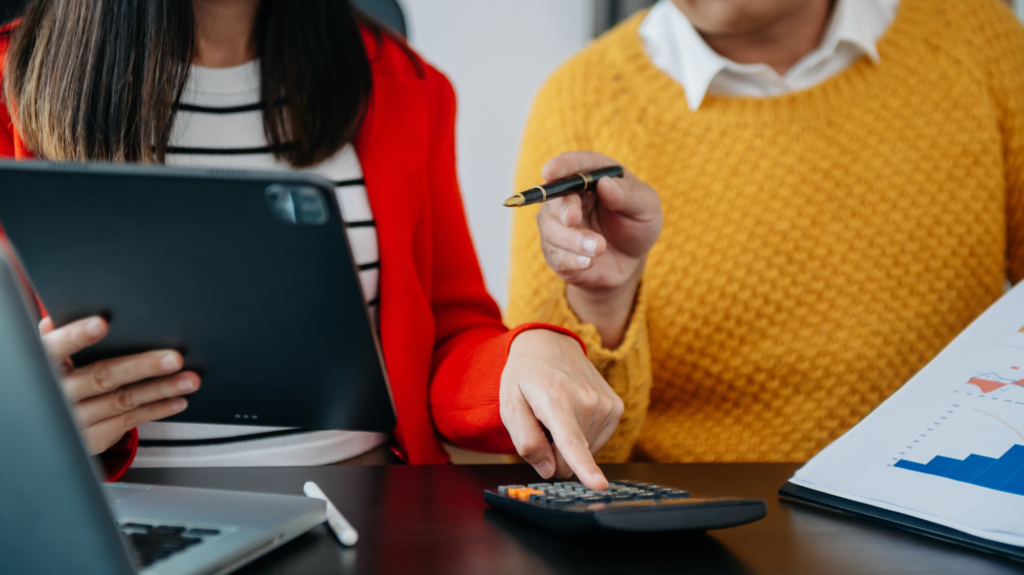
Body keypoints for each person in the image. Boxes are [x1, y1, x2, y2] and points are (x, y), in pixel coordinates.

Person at [0, 0, 623, 489]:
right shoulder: (13, 80)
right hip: (123, 526)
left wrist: (524, 353)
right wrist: (26, 426)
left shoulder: (405, 84)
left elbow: (444, 339)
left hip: (369, 519)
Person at [508, 0, 1024, 463]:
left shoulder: (977, 37)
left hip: (950, 509)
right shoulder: (582, 99)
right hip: (696, 535)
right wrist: (604, 306)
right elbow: (551, 457)